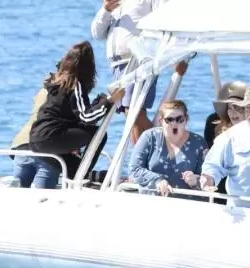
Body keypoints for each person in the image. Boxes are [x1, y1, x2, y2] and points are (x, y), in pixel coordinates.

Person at [29, 41, 125, 181]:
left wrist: (100, 101)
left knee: (74, 168)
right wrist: (109, 102)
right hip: (51, 137)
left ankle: (81, 174)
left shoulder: (57, 82)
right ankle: (84, 173)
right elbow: (87, 117)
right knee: (98, 134)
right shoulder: (75, 85)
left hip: (36, 139)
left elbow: (77, 113)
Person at [91, 0, 169, 144]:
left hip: (139, 59)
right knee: (131, 115)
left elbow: (165, 20)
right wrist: (106, 9)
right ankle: (152, 154)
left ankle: (158, 151)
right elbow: (97, 33)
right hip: (117, 64)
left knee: (134, 112)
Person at [128, 100, 207, 196]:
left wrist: (195, 181)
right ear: (161, 121)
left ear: (186, 120)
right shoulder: (149, 137)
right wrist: (157, 180)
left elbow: (208, 178)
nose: (174, 124)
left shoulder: (199, 143)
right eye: (169, 120)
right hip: (151, 202)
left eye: (179, 119)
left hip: (187, 205)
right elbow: (134, 169)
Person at [10, 67, 62, 189]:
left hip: (22, 144)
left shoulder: (42, 92)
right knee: (43, 197)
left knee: (18, 191)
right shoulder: (64, 95)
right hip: (45, 150)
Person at [203, 81, 247, 149]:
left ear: (246, 109)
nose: (233, 112)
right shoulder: (220, 136)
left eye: (236, 107)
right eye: (229, 108)